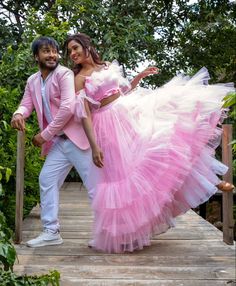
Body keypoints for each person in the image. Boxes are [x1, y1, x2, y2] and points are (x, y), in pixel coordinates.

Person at [65, 33, 235, 253]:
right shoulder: (79, 78)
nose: (73, 53)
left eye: (75, 47)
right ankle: (124, 233)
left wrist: (139, 78)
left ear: (87, 46)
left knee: (165, 148)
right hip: (107, 125)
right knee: (123, 175)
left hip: (128, 110)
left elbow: (121, 91)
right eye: (70, 51)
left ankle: (211, 181)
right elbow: (85, 114)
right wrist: (94, 145)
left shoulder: (106, 65)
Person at [11, 36, 101, 247]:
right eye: (46, 51)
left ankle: (104, 233)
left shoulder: (64, 74)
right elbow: (26, 104)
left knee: (95, 186)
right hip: (59, 144)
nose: (52, 55)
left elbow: (68, 107)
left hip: (78, 139)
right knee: (47, 180)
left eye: (54, 51)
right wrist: (18, 114)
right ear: (36, 56)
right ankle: (51, 231)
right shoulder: (33, 80)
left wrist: (44, 135)